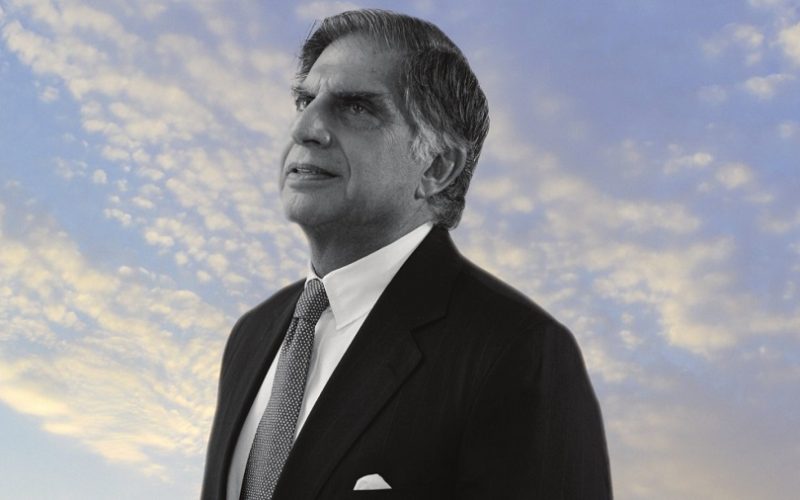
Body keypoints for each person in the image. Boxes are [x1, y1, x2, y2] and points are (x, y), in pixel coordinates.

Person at [202, 9, 611, 500]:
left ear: (437, 166)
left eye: (356, 107)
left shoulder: (517, 352)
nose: (305, 128)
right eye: (305, 100)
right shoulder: (252, 334)